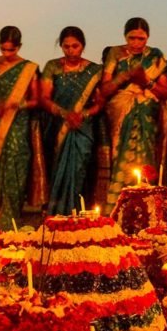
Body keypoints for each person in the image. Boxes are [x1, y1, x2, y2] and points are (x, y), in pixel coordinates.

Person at [100, 17, 167, 211]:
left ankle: (149, 210)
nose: (137, 43)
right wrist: (124, 77)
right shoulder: (115, 53)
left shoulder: (155, 56)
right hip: (121, 114)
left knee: (147, 164)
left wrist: (146, 81)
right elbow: (105, 89)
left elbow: (166, 92)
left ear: (148, 37)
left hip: (147, 116)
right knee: (120, 161)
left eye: (141, 38)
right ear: (125, 36)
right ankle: (118, 209)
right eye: (132, 38)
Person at [0, 26, 40, 230]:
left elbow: (35, 99)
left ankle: (12, 216)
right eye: (3, 49)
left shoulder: (29, 68)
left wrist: (16, 105)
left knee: (16, 163)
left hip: (18, 122)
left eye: (11, 50)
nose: (7, 54)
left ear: (19, 47)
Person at [41, 26, 103, 215]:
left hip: (83, 127)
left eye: (75, 46)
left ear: (82, 46)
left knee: (81, 169)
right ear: (61, 46)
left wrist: (81, 115)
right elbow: (44, 98)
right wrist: (65, 114)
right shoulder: (52, 66)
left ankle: (79, 213)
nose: (70, 51)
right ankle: (58, 213)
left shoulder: (94, 71)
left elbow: (100, 103)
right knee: (57, 167)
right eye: (66, 46)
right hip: (58, 126)